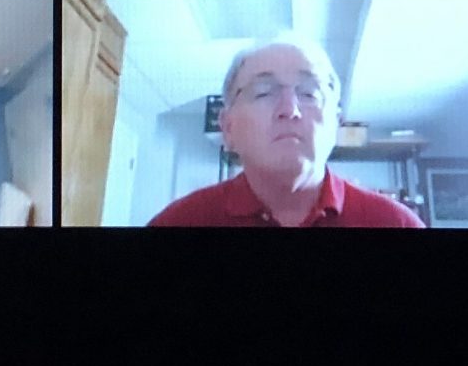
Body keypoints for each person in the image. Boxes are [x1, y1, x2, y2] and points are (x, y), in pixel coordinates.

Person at [146, 34, 424, 227]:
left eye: (310, 93)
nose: (290, 109)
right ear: (228, 128)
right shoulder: (178, 221)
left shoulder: (397, 223)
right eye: (263, 92)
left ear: (336, 125)